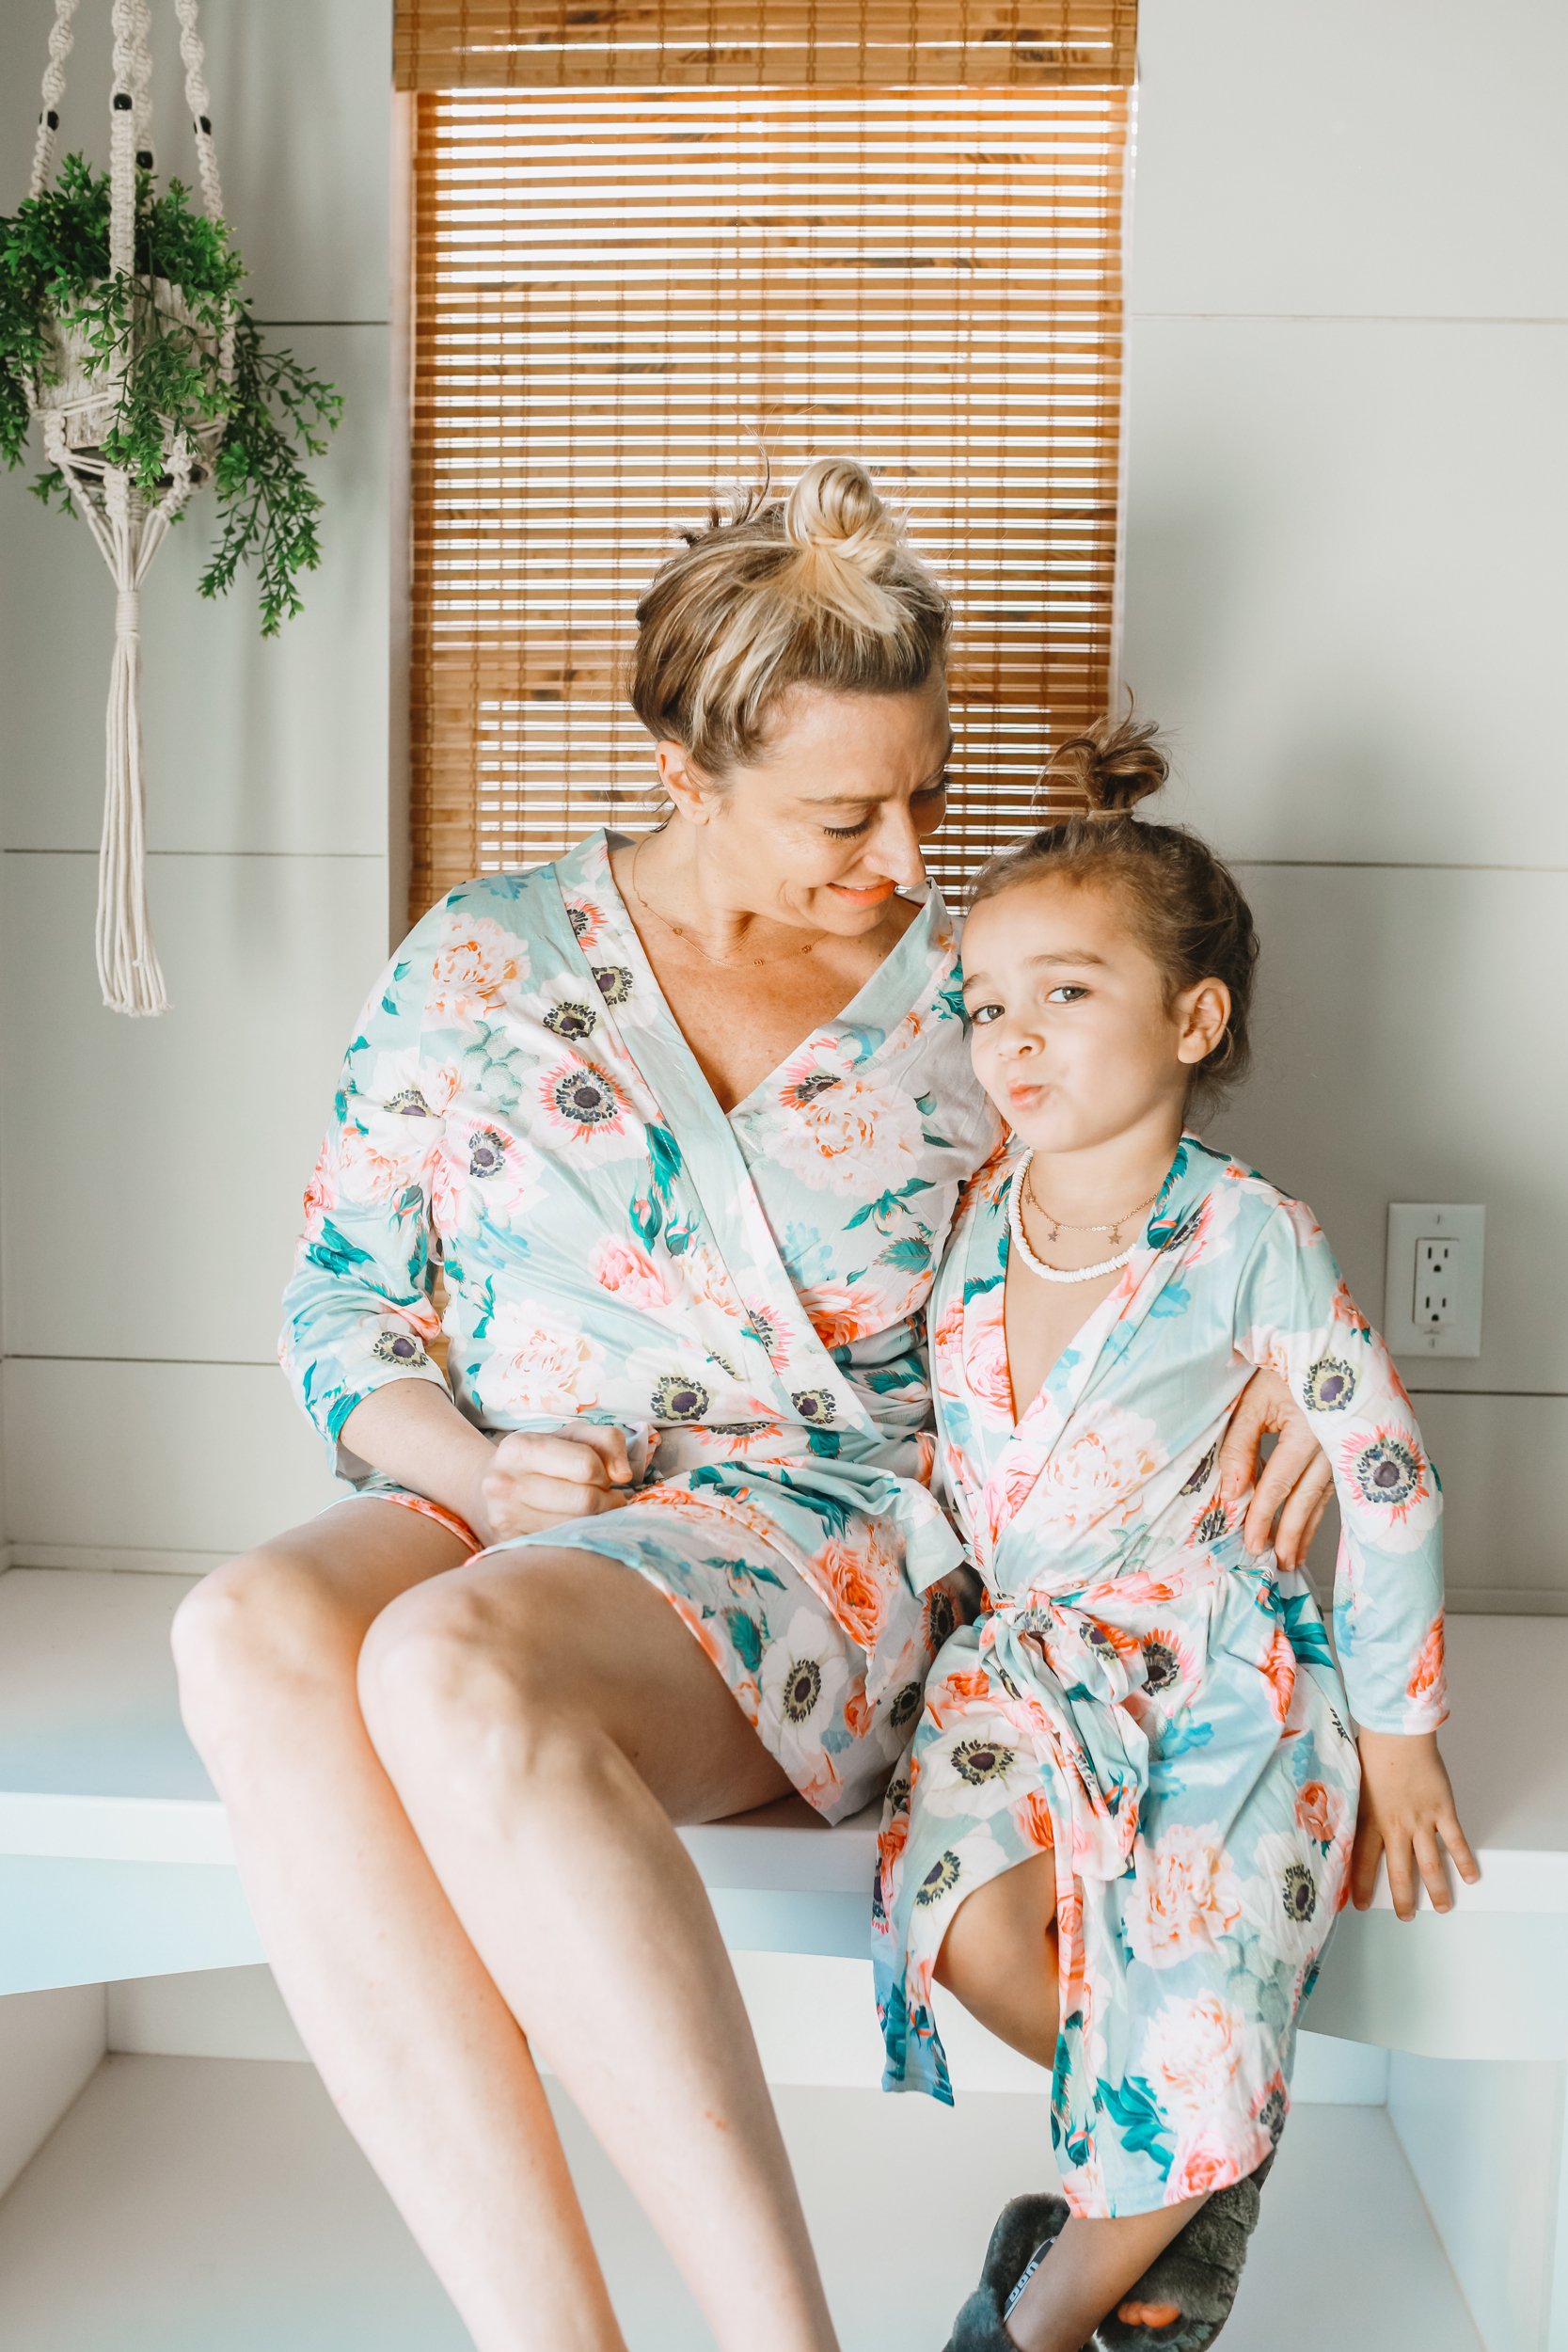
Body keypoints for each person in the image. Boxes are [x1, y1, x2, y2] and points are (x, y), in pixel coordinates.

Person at [169, 462, 1334, 2352]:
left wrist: (1277, 1395)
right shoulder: (482, 960)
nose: (900, 853)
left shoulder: (975, 1002)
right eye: (842, 809)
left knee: (454, 1669)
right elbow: (339, 1307)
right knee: (242, 1630)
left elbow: (1143, 1248)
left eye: (927, 792)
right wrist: (466, 1458)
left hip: (816, 1534)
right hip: (508, 1498)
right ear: (684, 774)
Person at [874, 716, 1478, 2352]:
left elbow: (1389, 1479)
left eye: (1064, 993)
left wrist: (1404, 1737)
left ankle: (1045, 2313)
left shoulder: (1249, 1237)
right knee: (965, 1923)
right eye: (987, 1003)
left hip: (1219, 1668)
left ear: (1192, 1018)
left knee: (1203, 1982)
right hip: (1020, 1663)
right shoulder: (964, 1211)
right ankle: (1196, 2184)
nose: (1013, 1037)